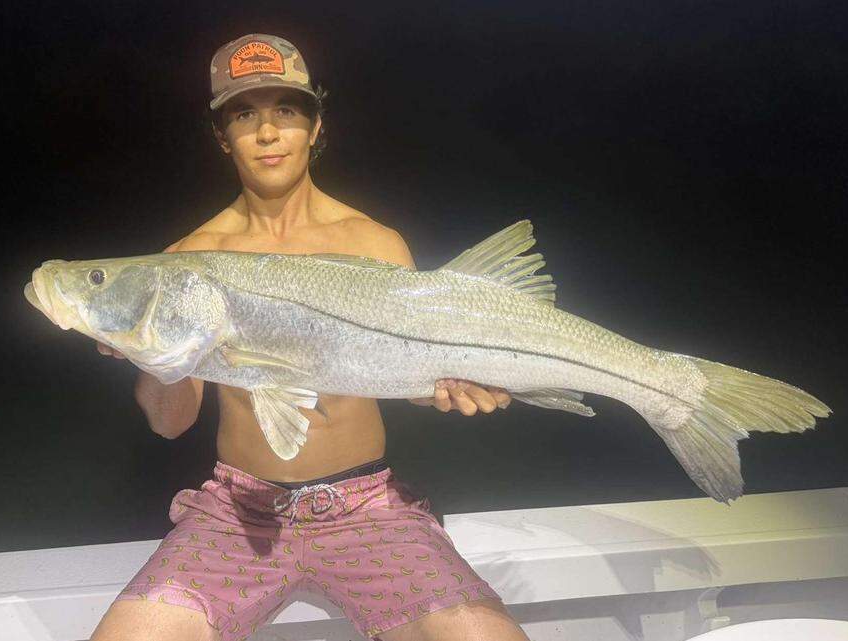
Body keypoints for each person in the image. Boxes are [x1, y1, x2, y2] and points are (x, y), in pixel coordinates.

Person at [89, 34, 531, 641]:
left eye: (286, 111)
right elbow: (170, 422)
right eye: (245, 115)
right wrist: (149, 349)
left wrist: (453, 389)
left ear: (316, 126)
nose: (268, 132)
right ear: (223, 136)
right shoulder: (188, 260)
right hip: (238, 513)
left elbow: (407, 374)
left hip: (369, 508)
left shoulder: (373, 244)